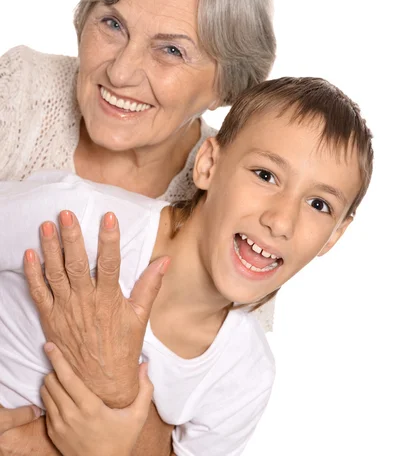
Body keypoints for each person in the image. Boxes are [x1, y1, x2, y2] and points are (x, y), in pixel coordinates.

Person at [0, 76, 373, 456]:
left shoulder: (244, 377)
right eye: (265, 175)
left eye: (319, 205)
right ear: (209, 165)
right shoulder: (82, 220)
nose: (282, 221)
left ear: (334, 236)